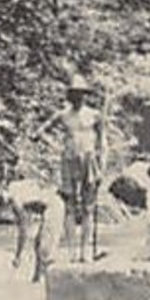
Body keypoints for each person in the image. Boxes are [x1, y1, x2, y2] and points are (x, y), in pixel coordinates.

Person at [31, 74, 106, 263]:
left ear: (85, 95)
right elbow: (39, 132)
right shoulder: (63, 115)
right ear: (69, 95)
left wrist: (101, 164)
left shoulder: (95, 115)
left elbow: (103, 141)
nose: (78, 97)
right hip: (69, 160)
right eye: (74, 93)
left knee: (88, 207)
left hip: (89, 160)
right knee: (70, 207)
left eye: (81, 94)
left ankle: (86, 251)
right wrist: (56, 147)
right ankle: (72, 251)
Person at [5, 177, 65, 283]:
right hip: (53, 204)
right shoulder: (18, 187)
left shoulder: (16, 201)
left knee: (45, 248)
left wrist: (18, 256)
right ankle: (37, 277)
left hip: (54, 208)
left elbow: (23, 230)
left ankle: (46, 280)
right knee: (38, 243)